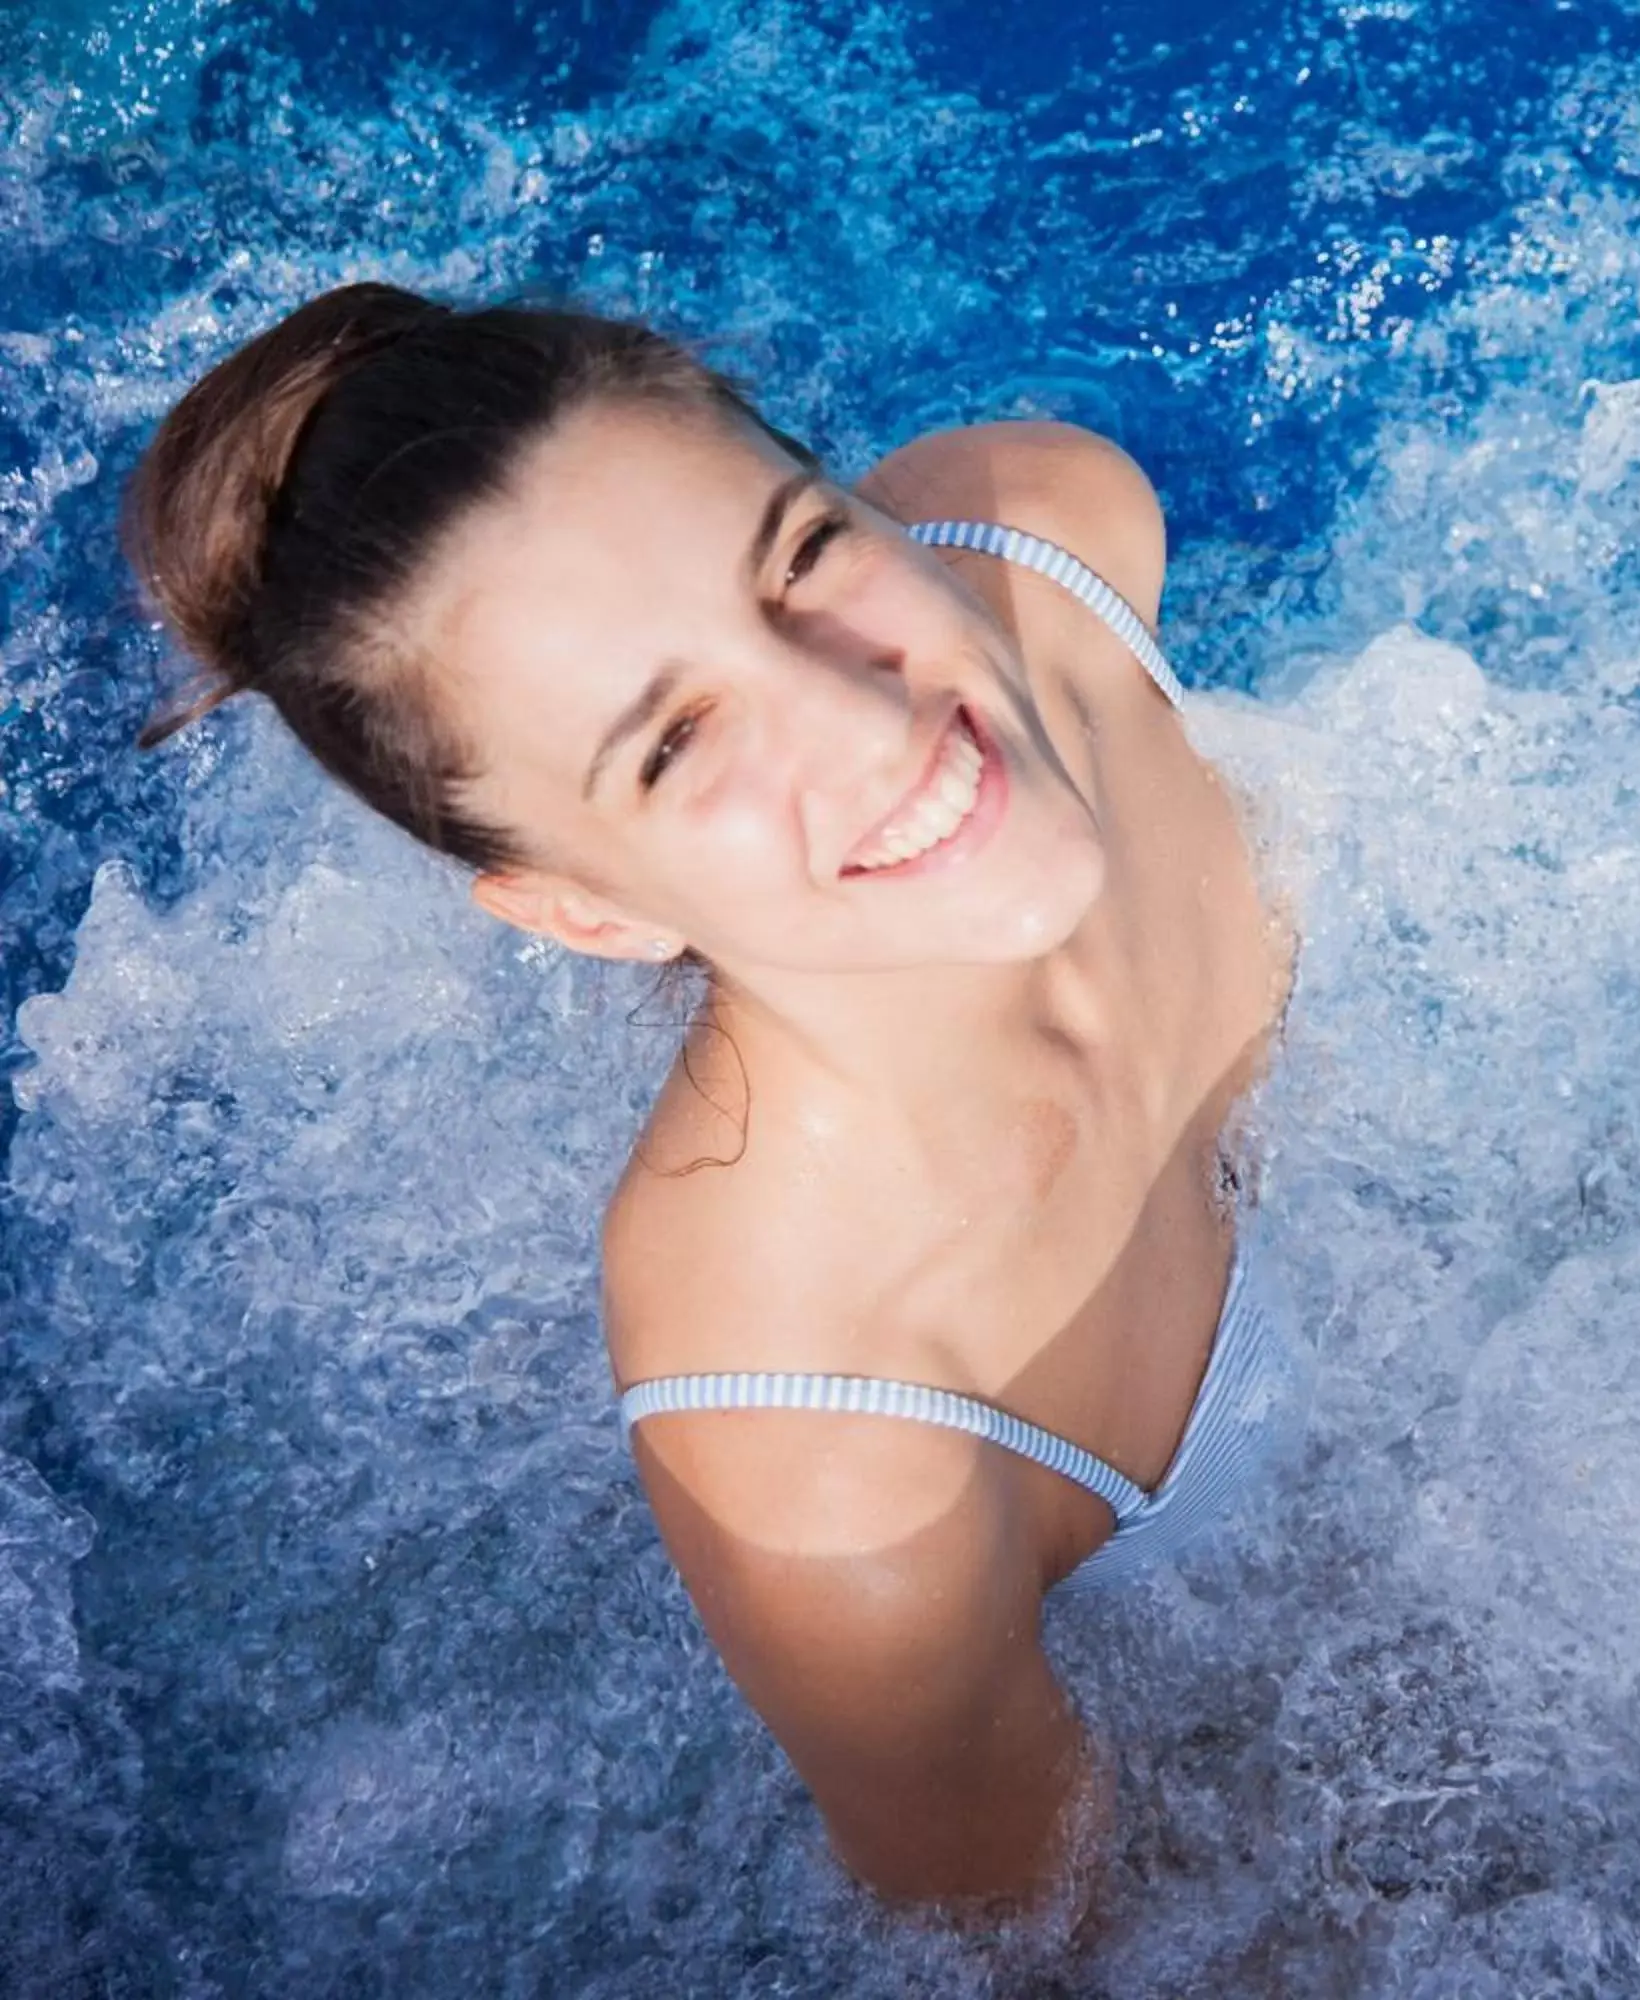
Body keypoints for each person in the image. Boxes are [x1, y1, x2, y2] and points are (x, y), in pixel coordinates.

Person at [124, 284, 1295, 1916]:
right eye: (674, 745)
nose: (869, 714)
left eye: (804, 554)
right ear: (589, 914)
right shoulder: (826, 1447)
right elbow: (1099, 1942)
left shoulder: (1056, 534)